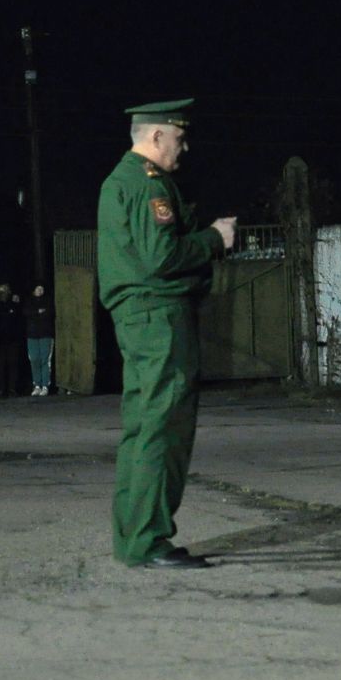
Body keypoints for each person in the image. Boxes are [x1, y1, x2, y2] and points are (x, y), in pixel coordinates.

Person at [97, 98, 235, 570]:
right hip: (159, 316)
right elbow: (161, 258)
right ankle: (148, 539)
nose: (185, 146)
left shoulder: (124, 180)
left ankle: (133, 536)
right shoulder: (146, 183)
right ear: (156, 136)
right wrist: (214, 238)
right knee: (164, 427)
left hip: (140, 317)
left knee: (143, 427)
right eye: (179, 136)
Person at [0, 284, 23, 397]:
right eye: (1, 292)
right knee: (0, 366)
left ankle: (12, 388)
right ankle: (1, 389)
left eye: (5, 291)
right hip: (0, 342)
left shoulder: (14, 305)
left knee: (13, 365)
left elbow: (19, 322)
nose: (3, 294)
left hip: (13, 341)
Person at [25, 283, 55, 395]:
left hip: (45, 334)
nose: (40, 290)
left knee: (45, 359)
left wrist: (36, 314)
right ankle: (36, 385)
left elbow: (49, 314)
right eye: (38, 288)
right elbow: (26, 312)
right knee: (34, 359)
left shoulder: (48, 301)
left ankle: (45, 385)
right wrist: (38, 312)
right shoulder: (29, 301)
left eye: (42, 288)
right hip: (32, 335)